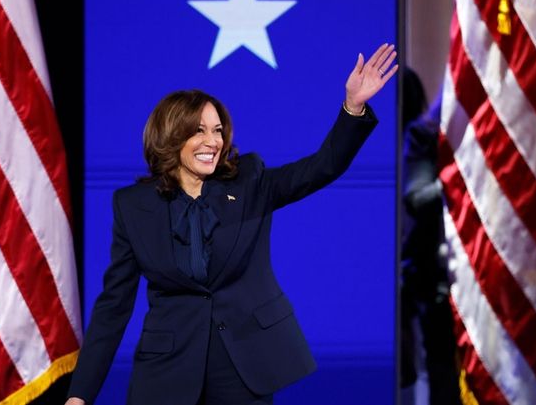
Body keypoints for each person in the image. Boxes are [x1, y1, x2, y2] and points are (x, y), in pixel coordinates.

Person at [65, 43, 398, 405]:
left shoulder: (250, 182)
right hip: (167, 372)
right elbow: (114, 304)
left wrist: (352, 108)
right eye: (199, 131)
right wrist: (80, 395)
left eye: (218, 130)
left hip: (243, 367)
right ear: (170, 137)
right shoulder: (133, 206)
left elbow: (323, 167)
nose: (213, 142)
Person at [400, 68, 461, 405]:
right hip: (437, 281)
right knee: (439, 382)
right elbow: (417, 197)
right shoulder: (425, 135)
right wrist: (463, 176)